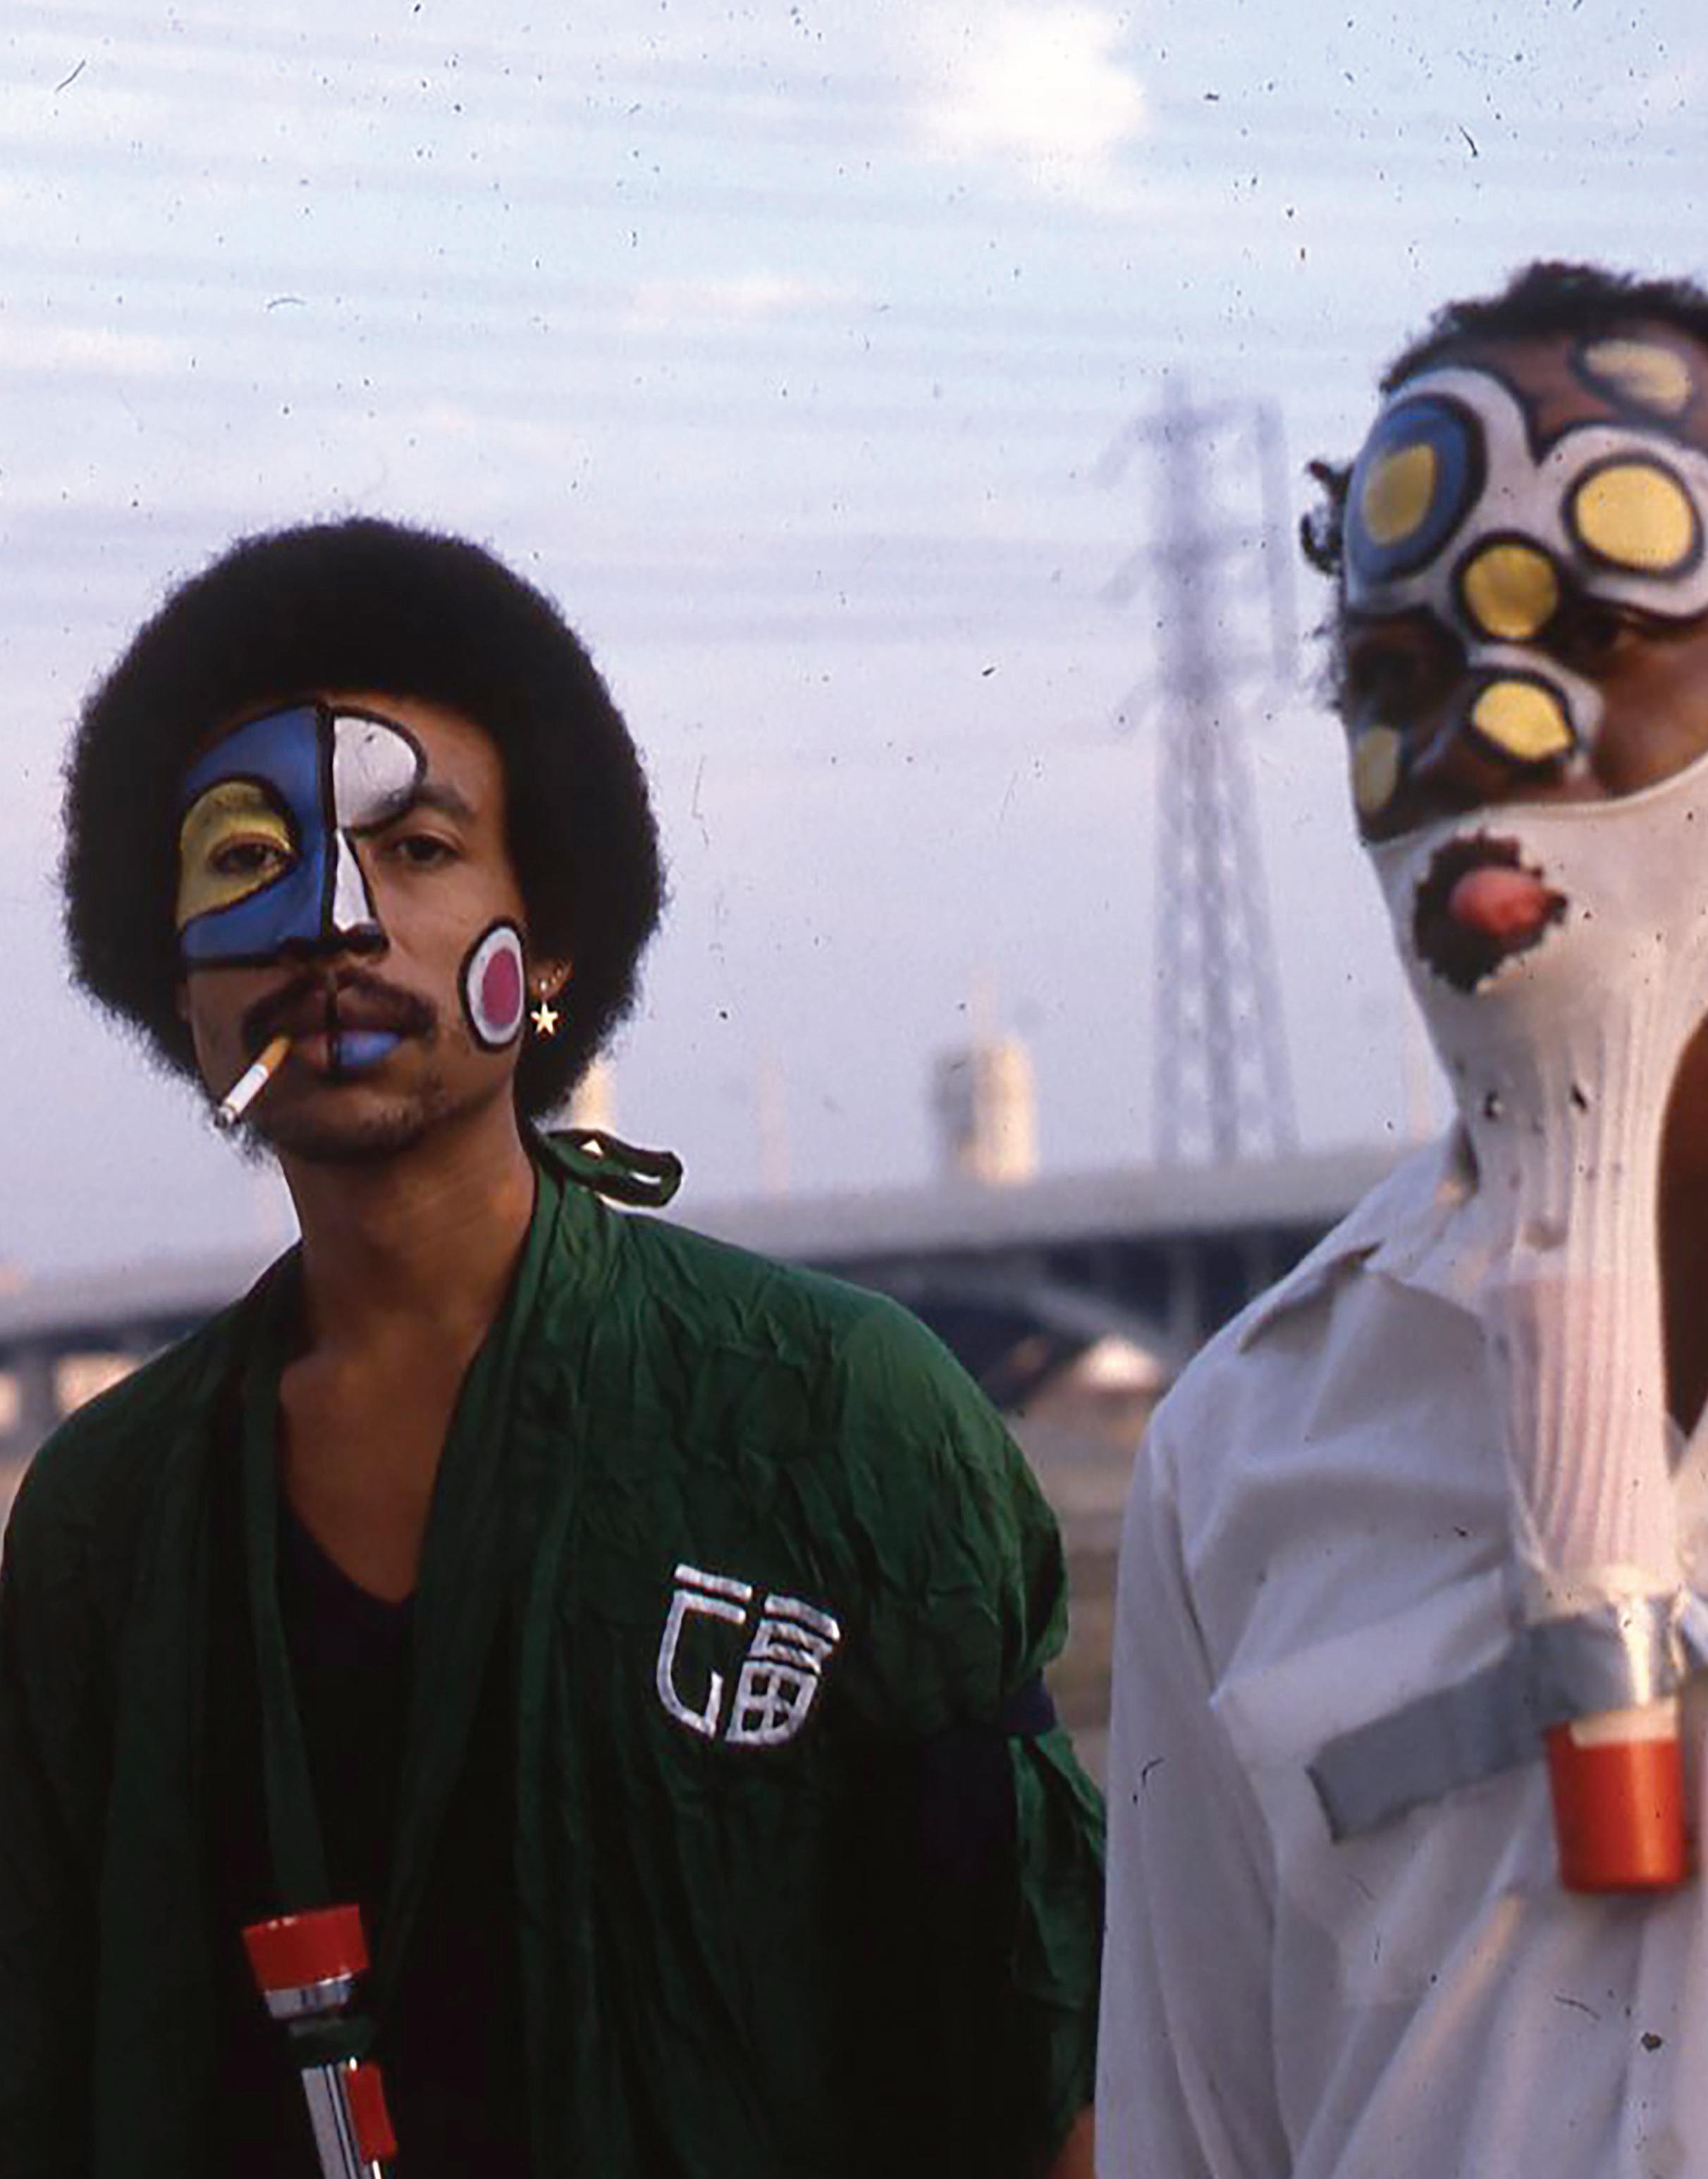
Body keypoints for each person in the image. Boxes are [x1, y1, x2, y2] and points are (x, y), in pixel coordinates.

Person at [0, 518, 1103, 2178]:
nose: (334, 923)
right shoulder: (105, 1517)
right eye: (247, 857)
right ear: (179, 980)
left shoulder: (835, 1415)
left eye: (419, 846)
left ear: (558, 938)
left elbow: (1046, 2064)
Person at [1098, 260, 1708, 2178]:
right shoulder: (1241, 1452)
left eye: (1600, 630)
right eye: (1396, 675)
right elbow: (1199, 2128)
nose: (1487, 735)